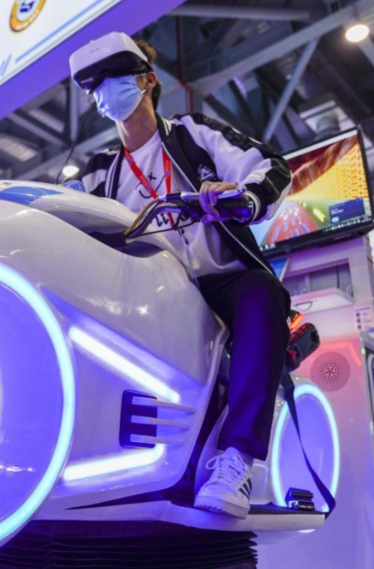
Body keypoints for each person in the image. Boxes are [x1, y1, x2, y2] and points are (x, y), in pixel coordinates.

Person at [68, 32, 292, 519]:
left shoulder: (192, 134)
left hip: (221, 279)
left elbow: (269, 168)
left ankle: (237, 459)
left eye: (111, 81)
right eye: (93, 88)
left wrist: (241, 196)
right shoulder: (98, 172)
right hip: (154, 292)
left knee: (263, 295)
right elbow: (64, 213)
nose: (102, 94)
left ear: (147, 81)